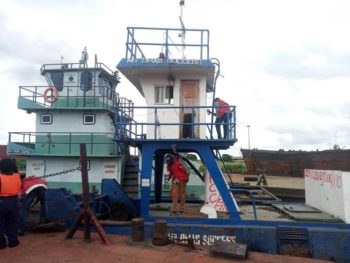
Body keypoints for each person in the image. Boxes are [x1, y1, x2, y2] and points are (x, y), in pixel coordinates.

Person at [0, 158, 21, 249]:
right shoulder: (17, 176)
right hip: (14, 201)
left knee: (0, 224)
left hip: (1, 202)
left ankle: (1, 244)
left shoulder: (0, 177)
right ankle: (13, 242)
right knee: (13, 223)